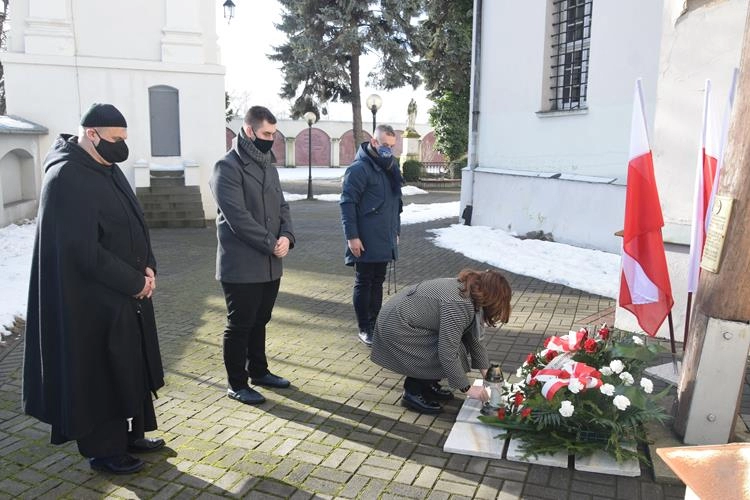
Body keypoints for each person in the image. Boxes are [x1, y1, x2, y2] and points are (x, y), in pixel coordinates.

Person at [23, 103, 165, 475]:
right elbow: (83, 251)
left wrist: (148, 265)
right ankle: (104, 450)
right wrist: (136, 282)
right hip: (91, 302)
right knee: (102, 373)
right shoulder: (67, 176)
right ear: (92, 134)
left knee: (129, 366)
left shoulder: (109, 168)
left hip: (127, 294)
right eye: (116, 139)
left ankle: (132, 434)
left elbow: (137, 222)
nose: (122, 146)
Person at [209, 105, 295, 406]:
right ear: (248, 131)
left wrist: (287, 236)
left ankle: (259, 371)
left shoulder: (268, 165)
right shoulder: (226, 167)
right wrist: (272, 242)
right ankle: (236, 383)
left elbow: (282, 206)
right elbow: (238, 217)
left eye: (274, 134)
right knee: (240, 323)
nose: (271, 139)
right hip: (242, 264)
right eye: (266, 133)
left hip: (271, 262)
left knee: (261, 319)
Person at [371, 269, 512, 414]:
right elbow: (447, 351)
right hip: (396, 327)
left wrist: (487, 373)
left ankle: (428, 384)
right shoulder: (459, 302)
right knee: (453, 351)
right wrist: (468, 389)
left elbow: (475, 338)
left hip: (404, 321)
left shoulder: (471, 291)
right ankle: (412, 393)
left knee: (456, 345)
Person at [340, 124, 403, 346]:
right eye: (385, 145)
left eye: (392, 146)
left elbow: (396, 203)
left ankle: (375, 325)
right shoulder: (359, 168)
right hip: (364, 237)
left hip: (384, 236)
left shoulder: (390, 167)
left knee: (378, 282)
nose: (389, 150)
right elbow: (347, 203)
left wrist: (395, 230)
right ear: (374, 142)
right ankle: (364, 327)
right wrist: (352, 237)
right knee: (364, 281)